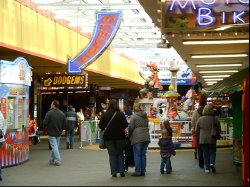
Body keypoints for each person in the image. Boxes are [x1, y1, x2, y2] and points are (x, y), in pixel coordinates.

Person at [98, 99, 128, 178]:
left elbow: (100, 126)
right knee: (120, 154)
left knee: (112, 155)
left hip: (109, 138)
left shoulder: (105, 114)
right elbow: (125, 125)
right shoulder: (120, 114)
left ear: (109, 105)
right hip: (120, 138)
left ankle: (114, 172)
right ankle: (122, 171)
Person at [196, 104, 221, 173]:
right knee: (212, 152)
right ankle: (212, 163)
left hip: (202, 139)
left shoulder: (200, 119)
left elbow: (197, 129)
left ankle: (207, 168)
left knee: (205, 153)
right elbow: (219, 128)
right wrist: (217, 133)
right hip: (212, 138)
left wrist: (199, 135)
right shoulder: (214, 118)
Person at [129, 102, 150, 177]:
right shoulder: (145, 116)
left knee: (137, 155)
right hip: (146, 136)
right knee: (143, 155)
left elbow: (131, 127)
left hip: (137, 137)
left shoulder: (134, 117)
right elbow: (147, 125)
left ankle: (138, 171)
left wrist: (128, 134)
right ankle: (143, 170)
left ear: (134, 108)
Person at [43, 100, 66, 166]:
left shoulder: (49, 113)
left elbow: (44, 123)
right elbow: (65, 124)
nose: (50, 105)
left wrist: (46, 128)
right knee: (55, 147)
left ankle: (58, 160)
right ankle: (52, 159)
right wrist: (61, 129)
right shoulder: (62, 113)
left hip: (51, 132)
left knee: (54, 147)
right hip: (59, 133)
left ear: (53, 105)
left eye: (51, 103)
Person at [191, 104, 205, 168]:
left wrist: (193, 128)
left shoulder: (195, 113)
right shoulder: (205, 114)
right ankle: (209, 163)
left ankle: (200, 162)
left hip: (197, 131)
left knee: (197, 145)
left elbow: (192, 121)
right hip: (205, 132)